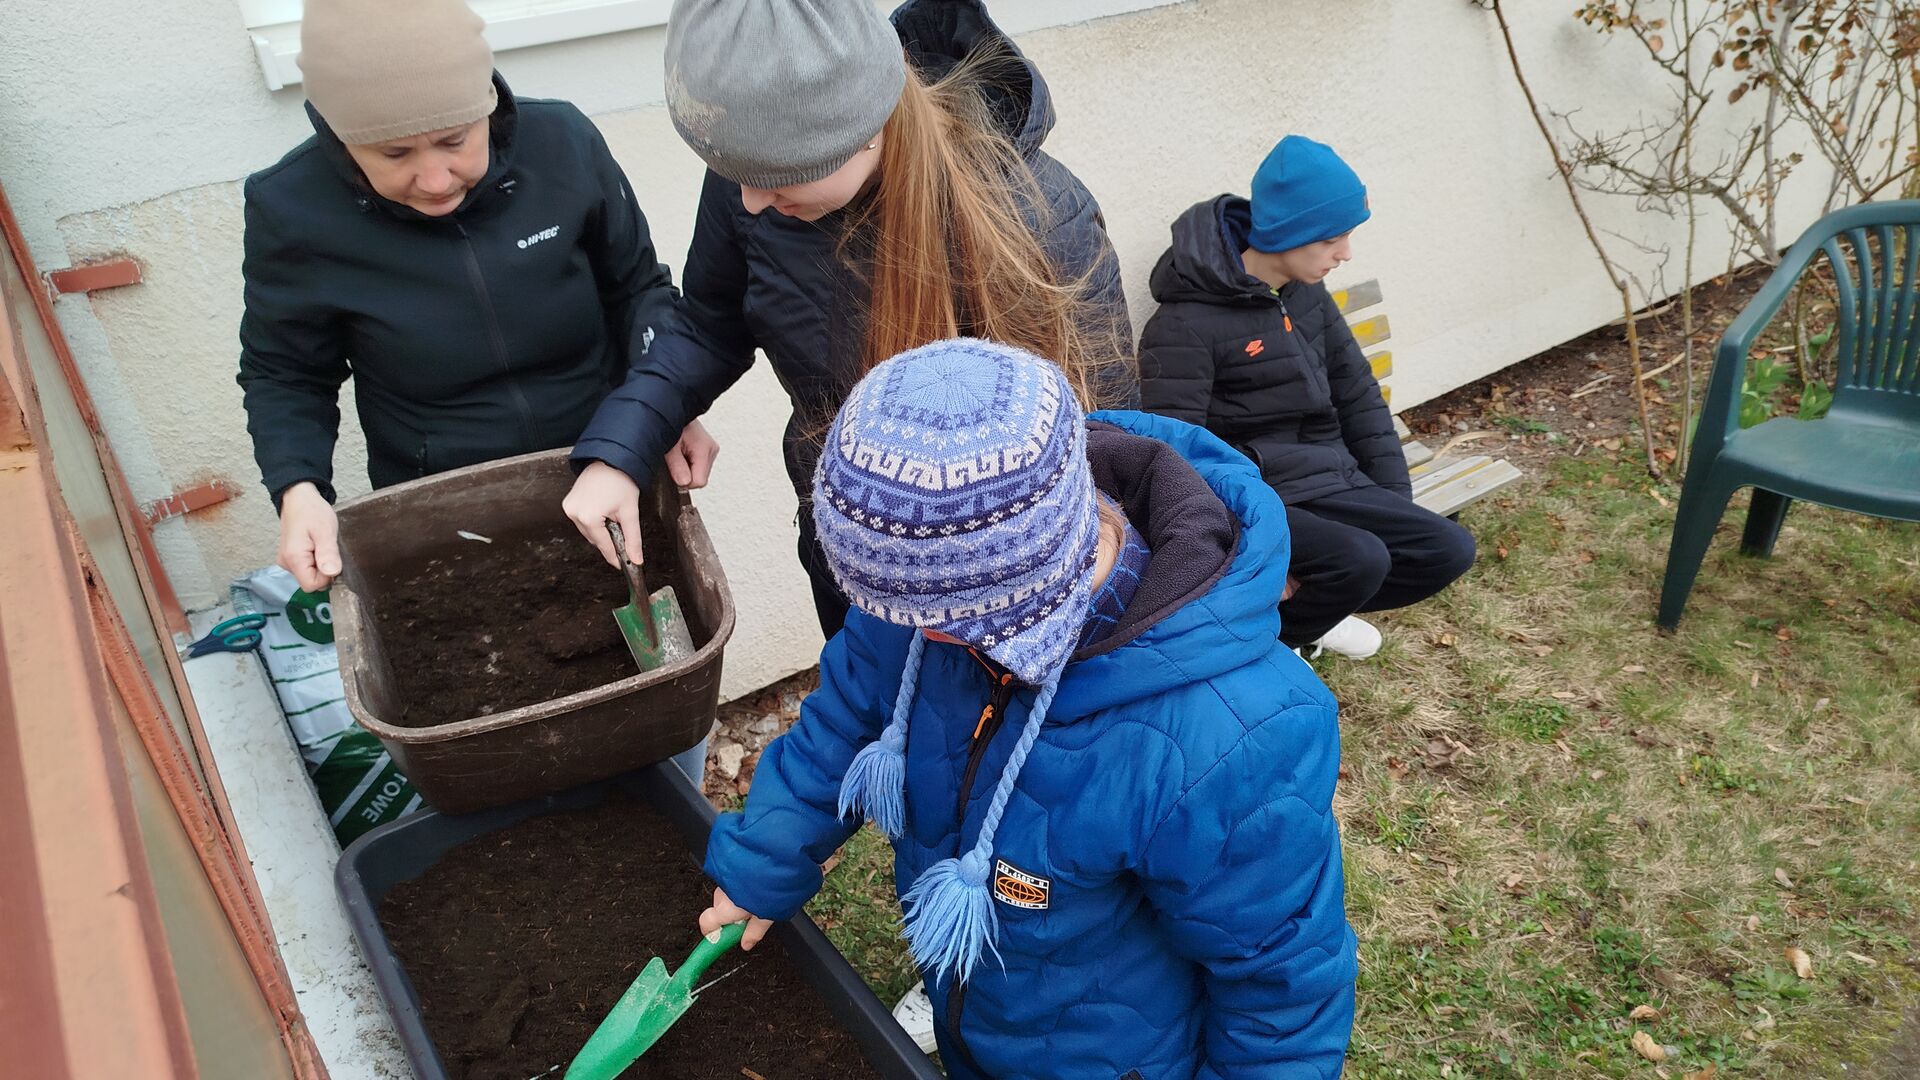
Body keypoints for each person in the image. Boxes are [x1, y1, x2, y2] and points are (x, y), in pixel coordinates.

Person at [695, 339, 1356, 1079]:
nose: (906, 630)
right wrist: (766, 855)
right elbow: (846, 722)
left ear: (1010, 597)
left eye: (932, 622)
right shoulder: (921, 597)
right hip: (981, 1015)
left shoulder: (1231, 739)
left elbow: (1279, 983)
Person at [563, 0, 1135, 640]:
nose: (750, 202)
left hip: (1000, 594)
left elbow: (1106, 439)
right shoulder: (755, 172)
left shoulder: (1034, 217)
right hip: (848, 563)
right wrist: (620, 448)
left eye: (778, 178)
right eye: (736, 176)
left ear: (863, 127)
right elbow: (706, 329)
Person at [238, 0, 703, 780]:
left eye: (455, 140)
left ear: (488, 104)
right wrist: (298, 486)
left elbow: (642, 293)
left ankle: (675, 809)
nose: (433, 176)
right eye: (393, 154)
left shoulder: (563, 144)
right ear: (337, 137)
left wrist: (663, 406)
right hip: (447, 518)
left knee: (649, 714)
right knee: (493, 721)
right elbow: (287, 369)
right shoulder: (292, 211)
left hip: (606, 473)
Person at [1137, 135, 1475, 659]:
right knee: (1361, 560)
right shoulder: (1183, 324)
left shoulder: (1306, 295)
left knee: (1446, 549)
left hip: (1329, 475)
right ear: (1287, 233)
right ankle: (1271, 641)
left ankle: (1306, 616)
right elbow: (1176, 455)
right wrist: (1262, 552)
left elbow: (1358, 395)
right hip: (1257, 492)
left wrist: (1392, 504)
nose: (1346, 254)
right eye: (1332, 239)